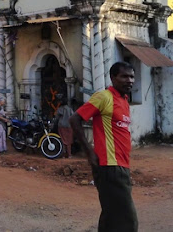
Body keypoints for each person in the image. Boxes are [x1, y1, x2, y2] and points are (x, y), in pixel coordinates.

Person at [69, 61, 138, 232]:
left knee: (111, 214)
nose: (129, 80)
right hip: (110, 166)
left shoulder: (124, 100)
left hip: (121, 165)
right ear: (113, 78)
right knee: (127, 219)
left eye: (132, 77)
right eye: (124, 76)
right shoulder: (104, 97)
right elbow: (75, 119)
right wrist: (89, 153)